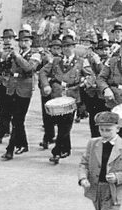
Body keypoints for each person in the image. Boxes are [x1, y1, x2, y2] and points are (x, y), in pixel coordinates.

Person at [39, 35, 92, 163]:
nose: (67, 49)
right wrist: (46, 85)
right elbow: (43, 72)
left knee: (66, 124)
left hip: (72, 95)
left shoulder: (81, 61)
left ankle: (56, 151)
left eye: (69, 46)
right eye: (64, 47)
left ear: (74, 47)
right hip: (56, 95)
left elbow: (91, 76)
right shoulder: (56, 60)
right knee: (60, 122)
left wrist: (85, 83)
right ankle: (66, 148)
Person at [1, 30, 41, 160]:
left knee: (18, 119)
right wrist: (6, 57)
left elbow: (29, 68)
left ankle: (10, 148)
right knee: (16, 119)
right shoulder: (15, 53)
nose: (23, 43)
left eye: (26, 40)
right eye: (21, 41)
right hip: (12, 86)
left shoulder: (35, 54)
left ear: (30, 42)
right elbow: (5, 67)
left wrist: (17, 56)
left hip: (25, 88)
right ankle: (23, 144)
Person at [0, 29, 16, 145]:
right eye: (6, 38)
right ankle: (4, 129)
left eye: (10, 38)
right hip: (0, 80)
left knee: (9, 107)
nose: (7, 40)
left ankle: (2, 131)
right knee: (2, 107)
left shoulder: (15, 51)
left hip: (11, 81)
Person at [38, 39, 62, 149]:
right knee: (46, 115)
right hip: (46, 88)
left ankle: (59, 138)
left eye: (58, 48)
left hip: (58, 89)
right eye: (54, 48)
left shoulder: (62, 59)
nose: (56, 50)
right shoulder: (45, 57)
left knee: (58, 114)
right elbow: (39, 70)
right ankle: (47, 137)